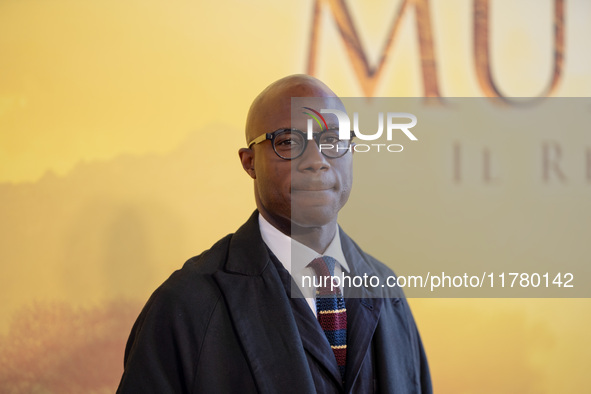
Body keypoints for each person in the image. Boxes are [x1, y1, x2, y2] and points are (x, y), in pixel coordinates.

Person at [117, 74, 432, 393]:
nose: (317, 161)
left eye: (333, 140)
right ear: (249, 162)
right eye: (288, 142)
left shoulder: (386, 291)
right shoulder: (184, 306)